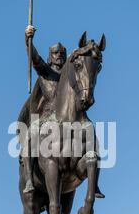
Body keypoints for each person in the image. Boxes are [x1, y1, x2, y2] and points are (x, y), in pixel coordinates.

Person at [19, 25, 105, 198]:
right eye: (55, 53)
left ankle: (94, 182)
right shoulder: (45, 71)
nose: (59, 56)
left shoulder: (71, 73)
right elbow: (35, 58)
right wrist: (28, 40)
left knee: (91, 133)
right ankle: (29, 178)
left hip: (70, 117)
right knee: (31, 133)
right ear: (50, 57)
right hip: (47, 116)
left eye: (62, 53)